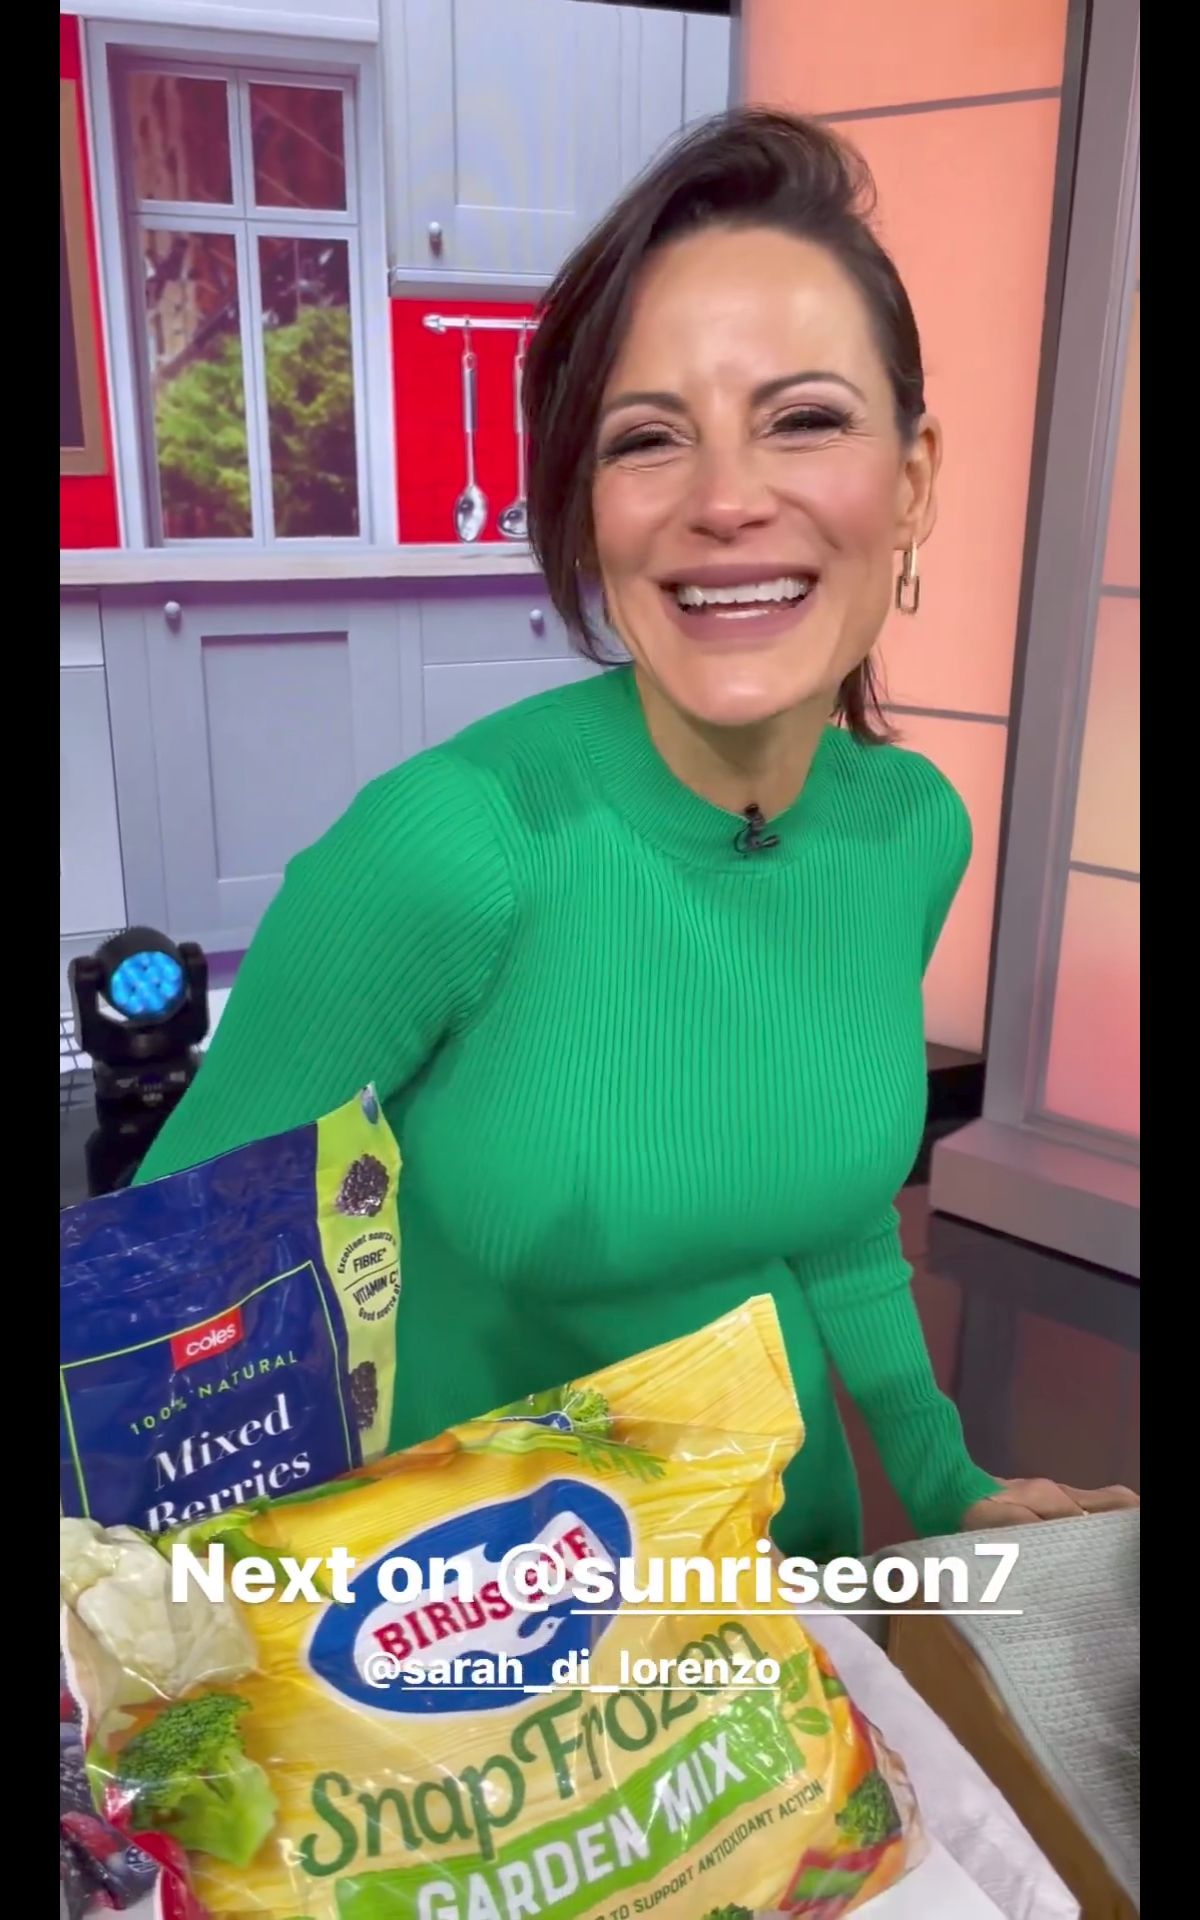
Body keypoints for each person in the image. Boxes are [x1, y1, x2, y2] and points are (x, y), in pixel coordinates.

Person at [135, 110, 1136, 1559]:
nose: (726, 500)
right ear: (588, 510)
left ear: (913, 479)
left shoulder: (911, 829)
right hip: (460, 1610)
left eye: (804, 419)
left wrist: (948, 1484)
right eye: (648, 438)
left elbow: (839, 1217)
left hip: (781, 1577)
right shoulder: (451, 847)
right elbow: (174, 1286)